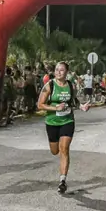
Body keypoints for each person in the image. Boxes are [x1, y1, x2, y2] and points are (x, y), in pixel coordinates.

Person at [38, 61, 75, 193]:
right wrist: (55, 108)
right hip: (52, 122)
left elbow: (74, 102)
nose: (59, 72)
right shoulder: (50, 85)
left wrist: (82, 106)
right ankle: (62, 178)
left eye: (62, 70)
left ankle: (62, 181)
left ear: (67, 72)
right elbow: (40, 105)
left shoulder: (70, 85)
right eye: (57, 70)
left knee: (64, 149)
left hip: (67, 121)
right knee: (55, 151)